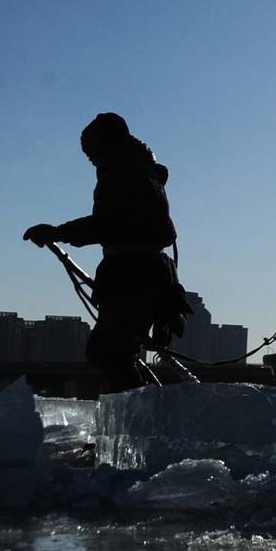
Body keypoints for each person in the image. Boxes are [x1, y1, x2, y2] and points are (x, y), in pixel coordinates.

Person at [22, 113, 189, 392]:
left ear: (107, 143)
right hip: (142, 272)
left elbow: (109, 224)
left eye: (91, 149)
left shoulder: (126, 173)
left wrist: (58, 232)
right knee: (114, 353)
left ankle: (147, 419)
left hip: (134, 273)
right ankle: (146, 411)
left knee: (110, 354)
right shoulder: (139, 171)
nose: (88, 156)